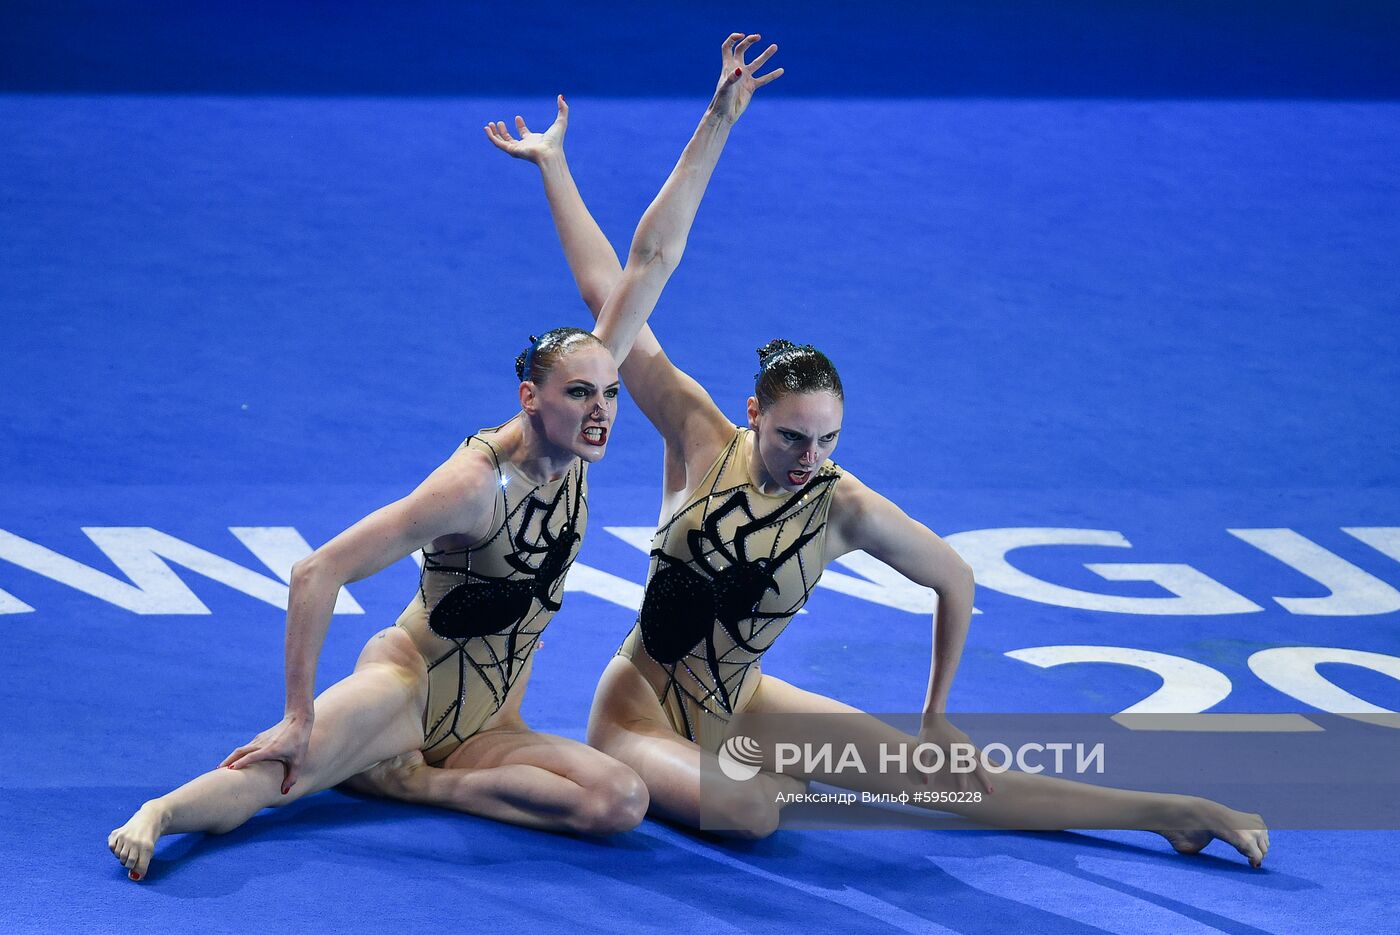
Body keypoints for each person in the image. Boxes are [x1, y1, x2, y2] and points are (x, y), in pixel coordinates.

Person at [437, 63, 1271, 867]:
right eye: (794, 437)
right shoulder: (697, 435)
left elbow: (954, 579)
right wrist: (564, 163)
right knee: (758, 809)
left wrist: (937, 713)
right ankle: (766, 781)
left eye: (827, 440)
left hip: (744, 705)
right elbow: (614, 287)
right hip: (637, 717)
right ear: (755, 414)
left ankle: (1170, 813)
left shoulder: (846, 506)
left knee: (942, 779)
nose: (811, 457)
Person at [106, 32, 782, 882]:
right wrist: (292, 713)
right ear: (531, 398)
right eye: (582, 395)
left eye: (608, 394)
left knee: (619, 801)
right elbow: (317, 571)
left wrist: (709, 122)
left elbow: (642, 264)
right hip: (409, 692)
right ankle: (168, 807)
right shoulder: (473, 485)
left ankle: (410, 786)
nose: (604, 410)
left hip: (493, 717)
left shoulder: (576, 436)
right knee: (286, 771)